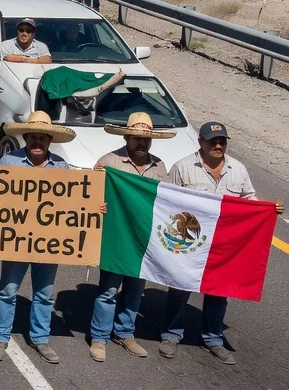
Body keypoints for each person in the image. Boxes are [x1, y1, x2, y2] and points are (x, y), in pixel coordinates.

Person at [162, 122, 283, 365]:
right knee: (180, 287)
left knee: (219, 290)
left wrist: (267, 208)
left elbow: (248, 199)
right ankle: (171, 334)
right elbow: (168, 202)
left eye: (222, 141)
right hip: (191, 241)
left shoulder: (238, 169)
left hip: (224, 243)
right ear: (200, 142)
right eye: (212, 141)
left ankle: (213, 338)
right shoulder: (183, 168)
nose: (218, 145)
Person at [88, 112, 174, 362]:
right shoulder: (108, 162)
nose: (142, 143)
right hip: (115, 236)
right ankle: (99, 336)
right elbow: (90, 195)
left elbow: (163, 201)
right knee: (108, 289)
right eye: (137, 138)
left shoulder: (159, 166)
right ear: (127, 137)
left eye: (146, 139)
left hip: (143, 240)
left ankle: (125, 333)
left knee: (135, 289)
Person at [0, 112, 74, 364]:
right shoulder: (9, 162)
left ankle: (40, 338)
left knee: (45, 293)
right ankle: (0, 336)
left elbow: (72, 203)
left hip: (49, 242)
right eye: (33, 137)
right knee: (8, 290)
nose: (38, 142)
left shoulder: (61, 166)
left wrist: (91, 209)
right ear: (26, 138)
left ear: (49, 140)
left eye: (43, 138)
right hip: (16, 239)